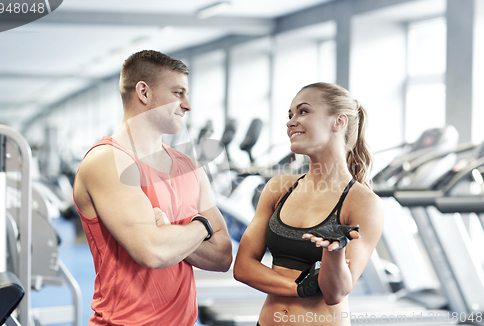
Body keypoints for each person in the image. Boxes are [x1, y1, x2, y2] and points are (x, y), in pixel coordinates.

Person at [73, 50, 233, 325]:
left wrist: (168, 231)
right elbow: (152, 251)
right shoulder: (108, 161)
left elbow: (223, 255)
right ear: (144, 93)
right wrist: (202, 227)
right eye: (178, 93)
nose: (188, 105)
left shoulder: (188, 165)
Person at [233, 82, 384, 325]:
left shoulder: (363, 202)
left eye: (303, 111)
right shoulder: (278, 187)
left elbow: (335, 293)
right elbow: (243, 267)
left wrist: (333, 252)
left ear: (339, 121)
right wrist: (301, 288)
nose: (291, 121)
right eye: (290, 115)